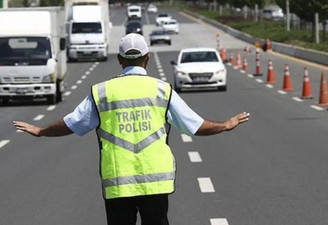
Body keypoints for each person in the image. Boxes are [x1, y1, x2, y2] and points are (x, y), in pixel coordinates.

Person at [13, 33, 250, 225]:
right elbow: (195, 125)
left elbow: (72, 123)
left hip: (117, 183)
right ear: (147, 58)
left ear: (119, 59)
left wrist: (40, 130)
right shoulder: (161, 90)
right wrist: (225, 125)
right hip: (155, 182)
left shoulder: (102, 92)